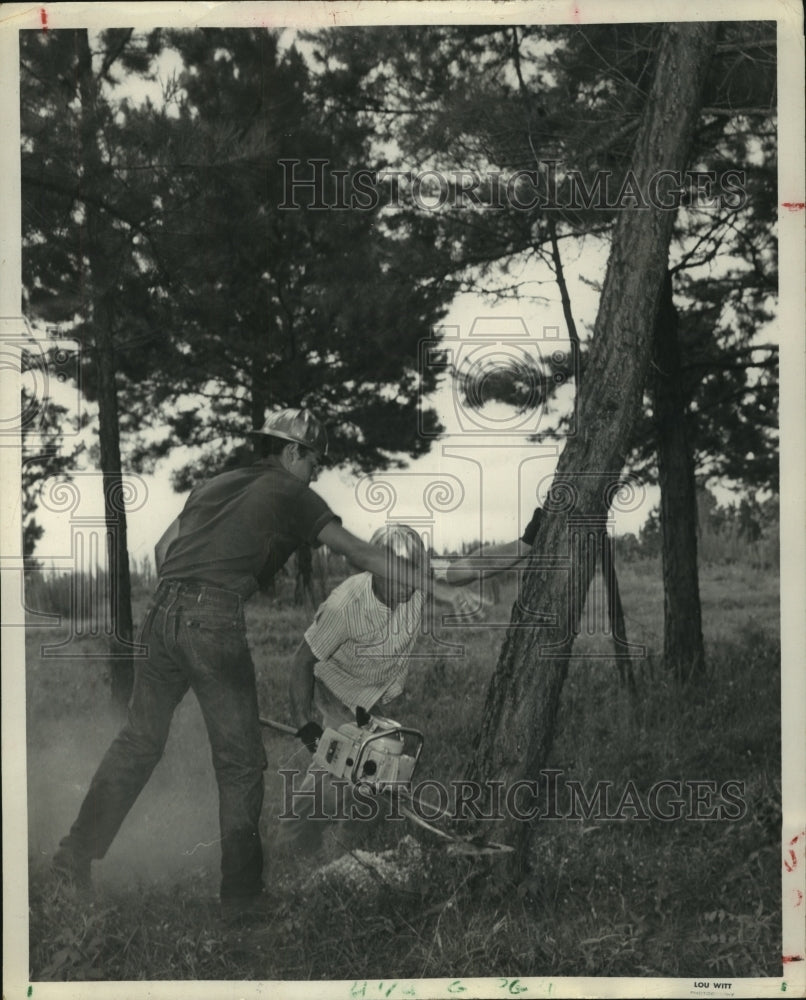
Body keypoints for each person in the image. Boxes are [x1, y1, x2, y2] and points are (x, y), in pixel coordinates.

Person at [52, 408, 423, 921]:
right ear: (292, 452)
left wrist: (187, 602)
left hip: (163, 611)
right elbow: (358, 552)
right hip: (212, 618)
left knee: (139, 742)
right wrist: (434, 586)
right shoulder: (292, 493)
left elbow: (164, 549)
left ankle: (73, 856)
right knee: (242, 764)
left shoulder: (215, 484)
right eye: (315, 461)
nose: (317, 472)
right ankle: (243, 900)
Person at [280, 509, 544, 855]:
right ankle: (306, 847)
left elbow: (471, 565)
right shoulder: (345, 605)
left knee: (366, 774)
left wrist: (524, 544)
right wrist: (306, 726)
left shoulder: (418, 579)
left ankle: (337, 844)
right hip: (336, 696)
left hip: (368, 698)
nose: (410, 584)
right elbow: (303, 660)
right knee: (343, 770)